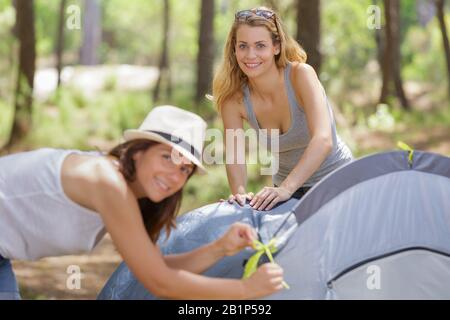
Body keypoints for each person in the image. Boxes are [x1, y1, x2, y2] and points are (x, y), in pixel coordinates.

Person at [0, 105, 284, 300]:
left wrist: (219, 248)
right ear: (138, 151)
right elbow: (158, 281)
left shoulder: (127, 191)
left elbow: (153, 268)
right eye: (167, 157)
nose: (175, 175)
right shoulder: (107, 182)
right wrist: (244, 290)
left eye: (185, 169)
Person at [212, 7, 353, 211]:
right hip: (286, 192)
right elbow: (235, 157)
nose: (250, 55)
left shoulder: (300, 76)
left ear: (276, 46)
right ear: (234, 48)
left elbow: (323, 140)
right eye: (243, 46)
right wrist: (240, 196)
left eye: (260, 45)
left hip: (337, 180)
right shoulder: (233, 100)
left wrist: (286, 188)